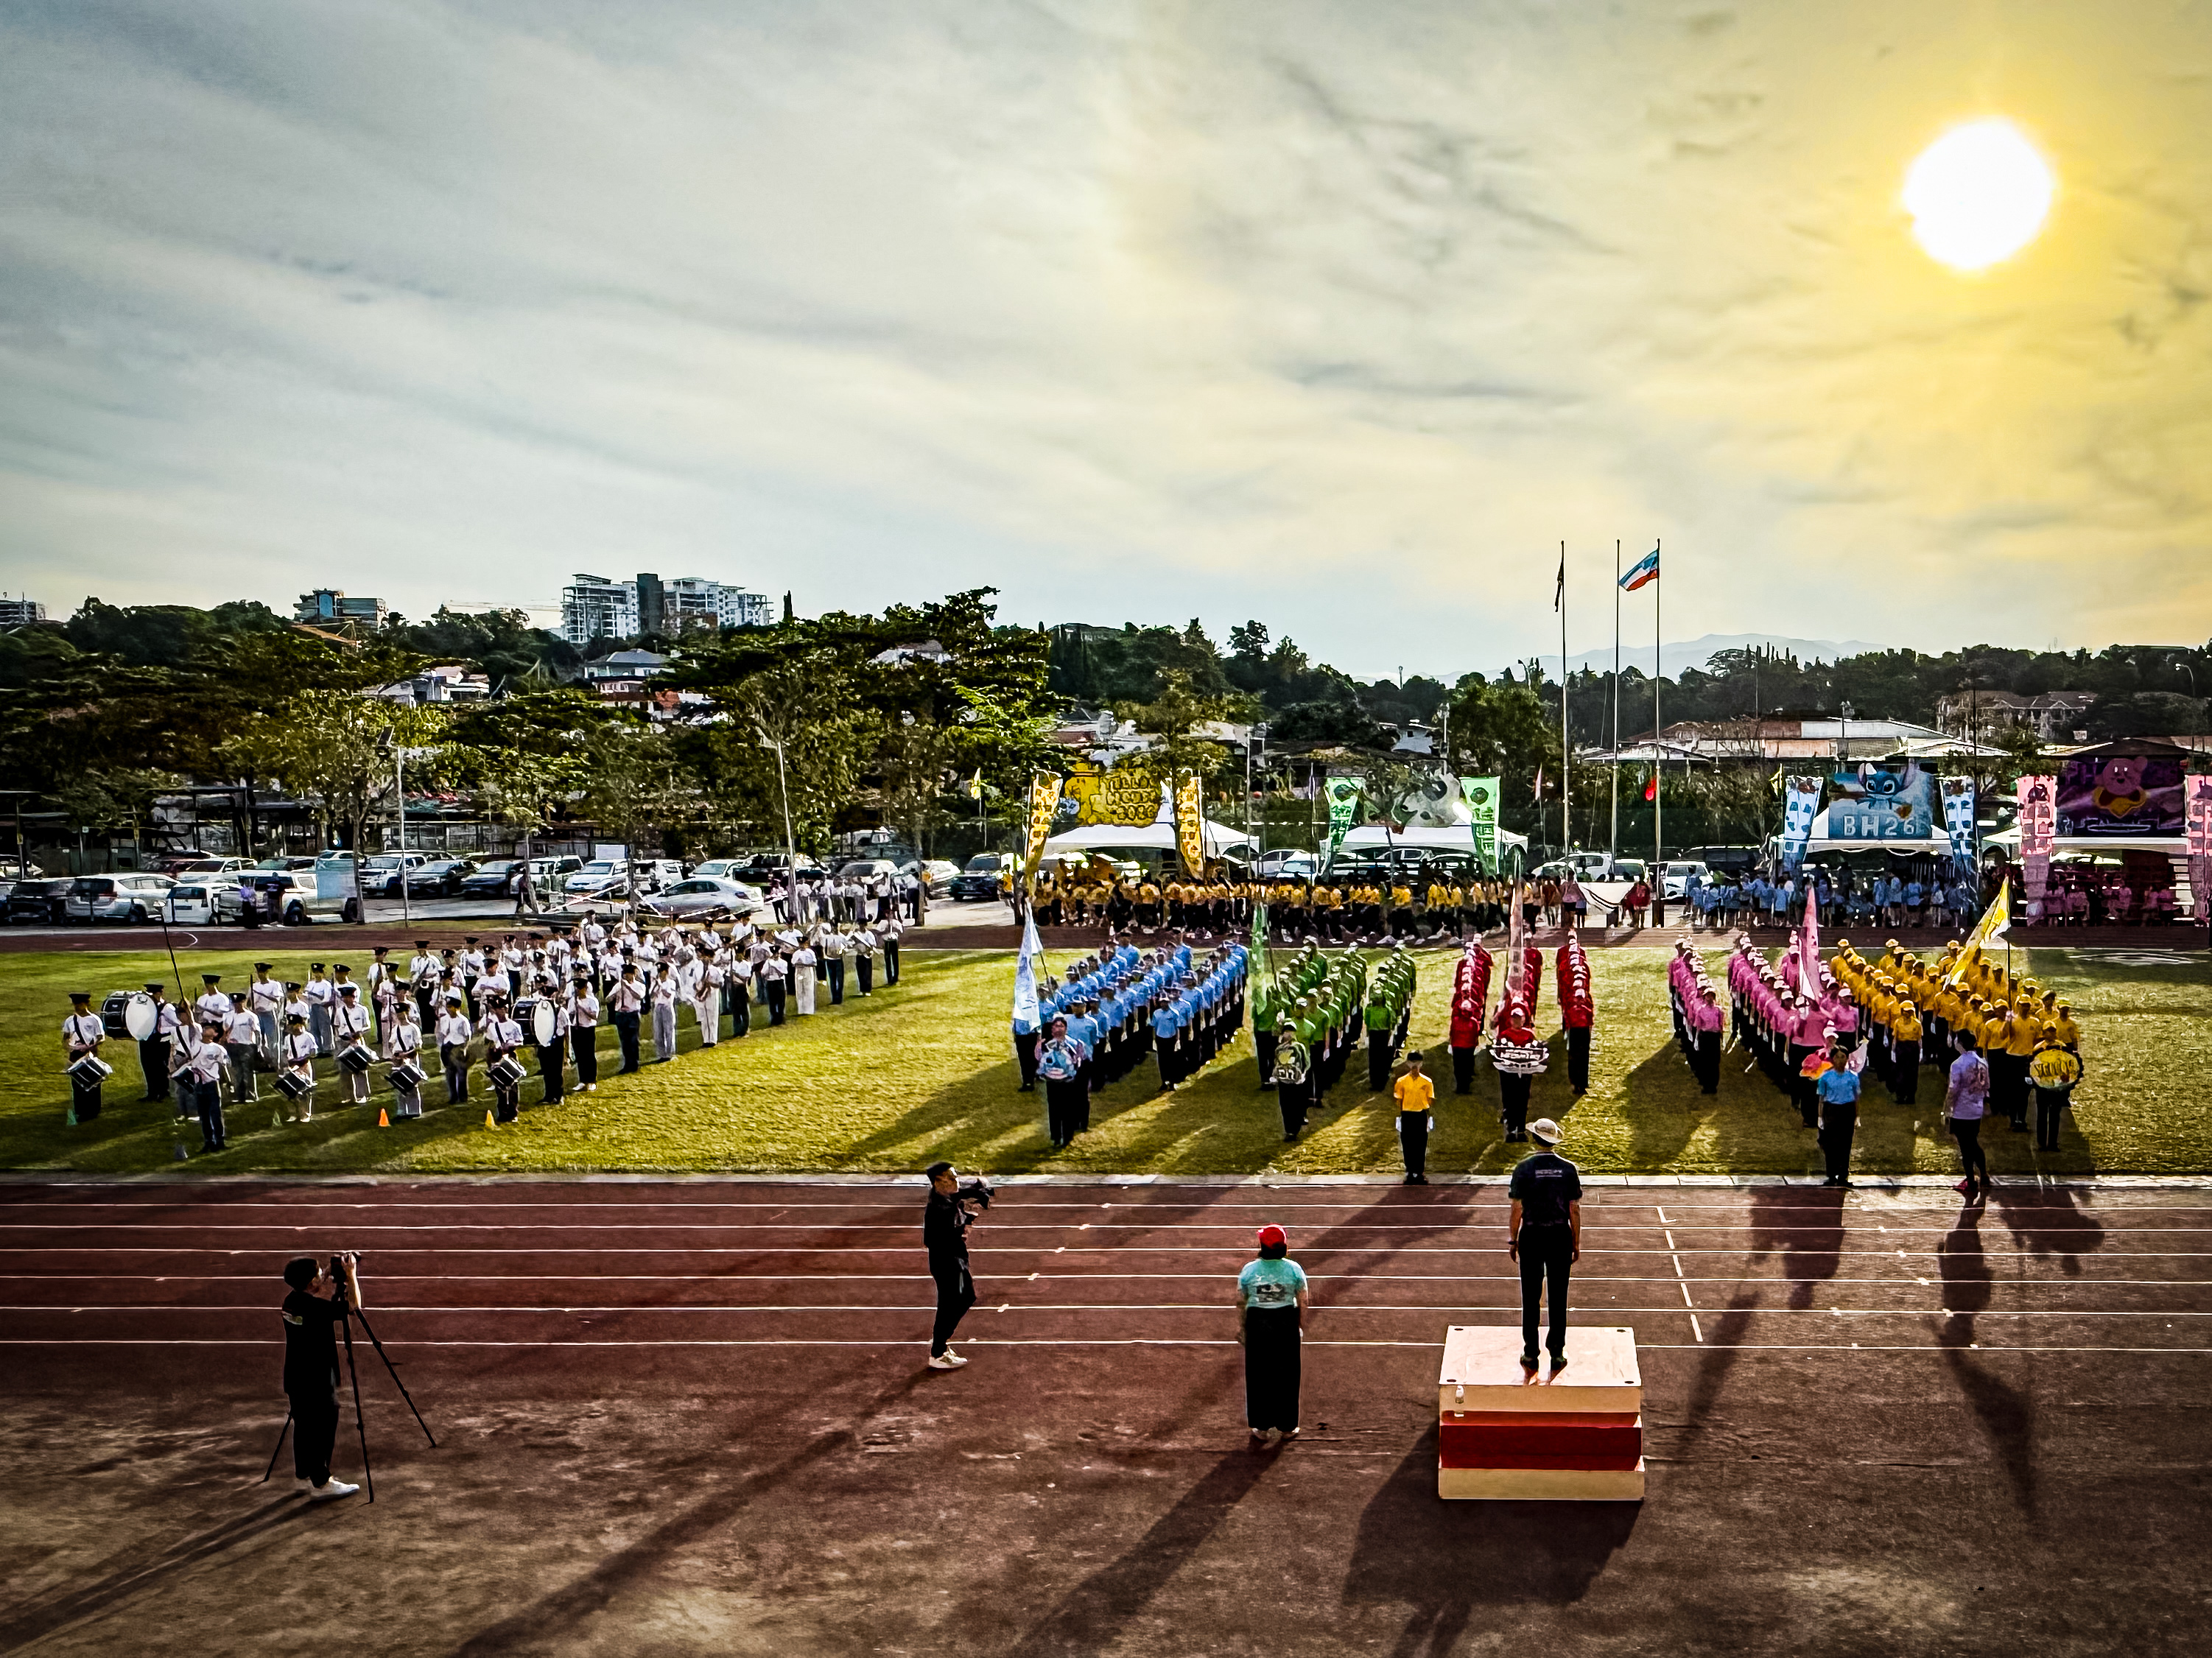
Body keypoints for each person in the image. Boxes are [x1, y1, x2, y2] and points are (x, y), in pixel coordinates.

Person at [279, 1254, 363, 1502]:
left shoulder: (290, 1302)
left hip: (296, 1376)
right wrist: (351, 1275)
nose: (322, 1276)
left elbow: (311, 1294)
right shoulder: (315, 1308)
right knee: (322, 1429)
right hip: (316, 1379)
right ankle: (322, 1482)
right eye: (318, 1274)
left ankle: (303, 1475)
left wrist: (324, 1275)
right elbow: (352, 1306)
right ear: (310, 1282)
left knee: (304, 1428)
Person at [1507, 1118, 1582, 1370]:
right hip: (1560, 1235)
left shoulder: (1523, 1168)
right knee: (1558, 1296)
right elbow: (1574, 1208)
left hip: (1532, 1235)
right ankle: (1557, 1352)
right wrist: (1576, 1242)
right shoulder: (1569, 1169)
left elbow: (1517, 1208)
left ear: (1534, 1139)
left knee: (1530, 1297)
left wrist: (1513, 1239)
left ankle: (1531, 1353)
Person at [1235, 1224, 1308, 1449]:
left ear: (1262, 1245)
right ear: (1284, 1245)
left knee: (1258, 1374)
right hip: (1285, 1320)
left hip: (1258, 1322)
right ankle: (1287, 1426)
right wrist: (1299, 1325)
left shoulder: (1249, 1270)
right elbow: (1303, 1300)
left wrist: (1243, 1327)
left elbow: (1240, 1300)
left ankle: (1261, 1426)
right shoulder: (1294, 1269)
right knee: (1288, 1374)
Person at [923, 1161, 983, 1370]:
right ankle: (938, 1351)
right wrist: (963, 1226)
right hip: (947, 1263)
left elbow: (957, 1197)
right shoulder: (939, 1209)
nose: (956, 1181)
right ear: (938, 1182)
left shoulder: (945, 1198)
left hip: (956, 1259)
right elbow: (930, 1240)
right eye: (951, 1178)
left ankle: (940, 1344)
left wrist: (973, 1192)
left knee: (963, 1299)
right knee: (955, 1302)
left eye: (956, 1176)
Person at [1944, 1030, 1991, 1198]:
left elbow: (1953, 1089)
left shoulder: (1957, 1064)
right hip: (1976, 1109)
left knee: (1966, 1147)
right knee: (1973, 1143)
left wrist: (1947, 1109)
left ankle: (1971, 1181)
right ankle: (1984, 1174)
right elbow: (1986, 1086)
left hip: (1962, 1111)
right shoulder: (1982, 1062)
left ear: (1961, 1043)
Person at [1035, 1015, 1089, 1149]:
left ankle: (1067, 1137)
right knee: (1054, 1110)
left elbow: (1079, 1061)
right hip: (1052, 1083)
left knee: (1067, 1110)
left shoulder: (1073, 1044)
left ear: (1066, 1029)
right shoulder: (1046, 1045)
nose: (1058, 1029)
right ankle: (1056, 1137)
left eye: (1061, 1026)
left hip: (1067, 1083)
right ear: (1052, 1029)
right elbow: (1040, 1061)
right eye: (1056, 1026)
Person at [1814, 1033, 1861, 1187]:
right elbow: (1821, 1098)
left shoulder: (1853, 1077)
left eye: (1843, 1057)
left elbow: (1856, 1097)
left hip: (1847, 1110)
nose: (1841, 1060)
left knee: (1845, 1144)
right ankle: (1831, 1176)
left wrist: (1857, 1116)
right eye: (1838, 1057)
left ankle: (1843, 1176)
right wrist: (1820, 1117)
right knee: (1830, 1144)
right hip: (1831, 1110)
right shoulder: (1825, 1077)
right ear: (1833, 1059)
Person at [2029, 1039, 2083, 1153]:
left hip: (2055, 1089)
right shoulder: (2039, 1047)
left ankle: (2052, 1143)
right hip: (2044, 1088)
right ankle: (2042, 1143)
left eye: (2052, 1031)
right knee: (2043, 1115)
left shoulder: (2061, 1045)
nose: (2050, 1034)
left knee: (2054, 1116)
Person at [63, 991, 106, 1124]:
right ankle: (80, 1110)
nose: (77, 1007)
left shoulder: (94, 1019)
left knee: (92, 1081)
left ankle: (93, 1110)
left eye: (80, 1004)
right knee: (77, 1083)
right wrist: (68, 1048)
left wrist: (91, 1046)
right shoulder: (70, 1020)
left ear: (86, 1004)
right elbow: (66, 1037)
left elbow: (101, 1037)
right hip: (75, 1054)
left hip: (90, 1053)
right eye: (75, 1005)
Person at [1393, 1050, 1435, 1185]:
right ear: (1407, 1063)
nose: (1414, 1065)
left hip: (1421, 1114)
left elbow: (1430, 1099)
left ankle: (1420, 1172)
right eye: (1412, 1062)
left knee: (1421, 1144)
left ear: (1421, 1064)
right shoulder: (1402, 1081)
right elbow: (1399, 1099)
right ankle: (1410, 1172)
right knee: (1408, 1144)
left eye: (1417, 1062)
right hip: (1407, 1114)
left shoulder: (1427, 1081)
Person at [387, 1000, 425, 1120]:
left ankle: (414, 1110)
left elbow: (418, 1047)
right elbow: (391, 1044)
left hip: (410, 1058)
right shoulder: (395, 1028)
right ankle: (402, 1110)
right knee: (400, 1086)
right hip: (398, 1060)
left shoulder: (413, 1028)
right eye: (398, 1013)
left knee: (412, 1085)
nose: (400, 1016)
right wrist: (395, 1056)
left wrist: (406, 1055)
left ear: (407, 1013)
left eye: (402, 1013)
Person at [281, 1011, 320, 1123]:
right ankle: (293, 1113)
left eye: (292, 1025)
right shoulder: (288, 1038)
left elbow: (314, 1053)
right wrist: (286, 1064)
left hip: (304, 1065)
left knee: (305, 1091)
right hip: (291, 1067)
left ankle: (305, 1114)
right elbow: (285, 1052)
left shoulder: (308, 1037)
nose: (289, 1027)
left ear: (299, 1025)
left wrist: (301, 1060)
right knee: (288, 1091)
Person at [435, 996, 474, 1106]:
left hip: (458, 1046)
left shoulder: (463, 1020)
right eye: (448, 1007)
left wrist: (463, 1049)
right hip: (448, 1046)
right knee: (450, 1073)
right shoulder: (445, 1019)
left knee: (461, 1074)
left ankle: (463, 1097)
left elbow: (467, 1036)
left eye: (451, 1007)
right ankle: (453, 1096)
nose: (449, 1009)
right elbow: (443, 1033)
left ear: (457, 1008)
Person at [568, 971, 600, 1093]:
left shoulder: (592, 1001)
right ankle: (582, 1080)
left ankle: (592, 1080)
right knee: (580, 1056)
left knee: (589, 1055)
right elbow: (570, 1015)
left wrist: (582, 1008)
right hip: (577, 1029)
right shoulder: (572, 1001)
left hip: (588, 1029)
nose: (578, 991)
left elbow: (594, 1017)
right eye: (577, 989)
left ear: (585, 989)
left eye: (580, 989)